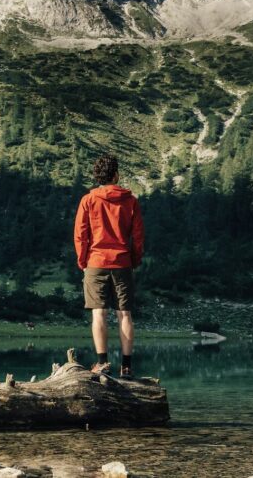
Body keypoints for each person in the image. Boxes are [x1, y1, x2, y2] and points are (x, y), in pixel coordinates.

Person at [74, 153, 144, 378]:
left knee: (99, 314)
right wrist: (134, 260)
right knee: (125, 314)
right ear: (116, 174)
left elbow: (80, 235)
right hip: (122, 261)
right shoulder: (130, 200)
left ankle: (102, 363)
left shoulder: (88, 200)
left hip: (96, 261)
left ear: (97, 176)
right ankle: (126, 366)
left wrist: (83, 261)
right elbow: (138, 236)